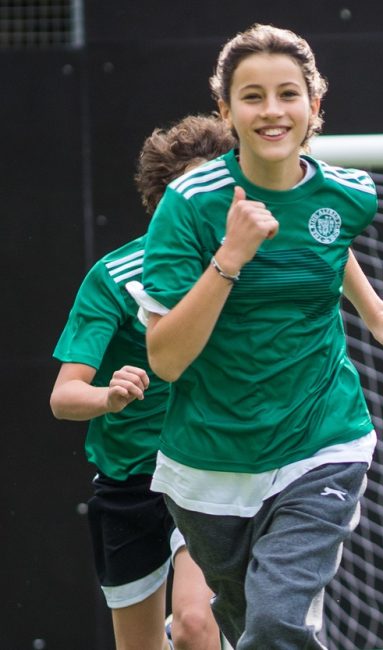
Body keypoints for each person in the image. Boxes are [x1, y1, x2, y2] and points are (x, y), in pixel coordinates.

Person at [131, 24, 383, 648]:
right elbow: (167, 358)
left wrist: (374, 314)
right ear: (226, 109)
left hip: (323, 441)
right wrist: (230, 257)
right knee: (249, 630)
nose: (272, 111)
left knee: (275, 623)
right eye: (252, 96)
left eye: (288, 94)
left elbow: (326, 246)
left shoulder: (348, 195)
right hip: (209, 465)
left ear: (315, 105)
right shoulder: (189, 205)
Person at [51, 114, 231, 650]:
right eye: (190, 190)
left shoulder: (245, 268)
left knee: (196, 623)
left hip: (209, 467)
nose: (205, 201)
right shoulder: (114, 275)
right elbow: (64, 397)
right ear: (164, 199)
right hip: (128, 483)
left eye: (216, 187)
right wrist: (109, 396)